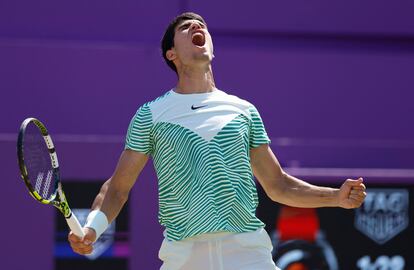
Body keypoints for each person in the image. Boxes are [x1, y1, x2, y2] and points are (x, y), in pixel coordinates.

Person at [68, 12, 367, 270]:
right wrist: (93, 228)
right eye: (186, 28)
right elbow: (117, 188)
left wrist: (335, 197)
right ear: (171, 54)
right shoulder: (151, 115)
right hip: (184, 256)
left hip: (248, 253)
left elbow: (279, 186)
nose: (197, 27)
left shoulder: (244, 111)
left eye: (202, 26)